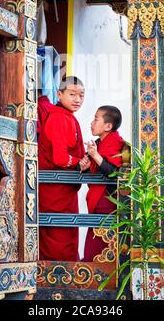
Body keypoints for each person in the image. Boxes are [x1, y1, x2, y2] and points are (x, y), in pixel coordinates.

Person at [38, 76, 85, 261]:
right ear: (59, 94)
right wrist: (78, 162)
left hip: (62, 190)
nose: (77, 99)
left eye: (81, 95)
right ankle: (58, 279)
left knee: (65, 235)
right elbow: (60, 158)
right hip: (55, 191)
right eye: (72, 94)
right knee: (59, 237)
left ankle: (64, 277)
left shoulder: (66, 117)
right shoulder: (59, 118)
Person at [79, 106, 125, 262]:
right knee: (93, 244)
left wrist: (94, 155)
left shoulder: (117, 144)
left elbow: (113, 173)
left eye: (96, 119)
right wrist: (84, 163)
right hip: (97, 201)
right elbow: (90, 166)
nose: (91, 123)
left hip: (108, 202)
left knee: (101, 248)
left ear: (108, 126)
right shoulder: (99, 143)